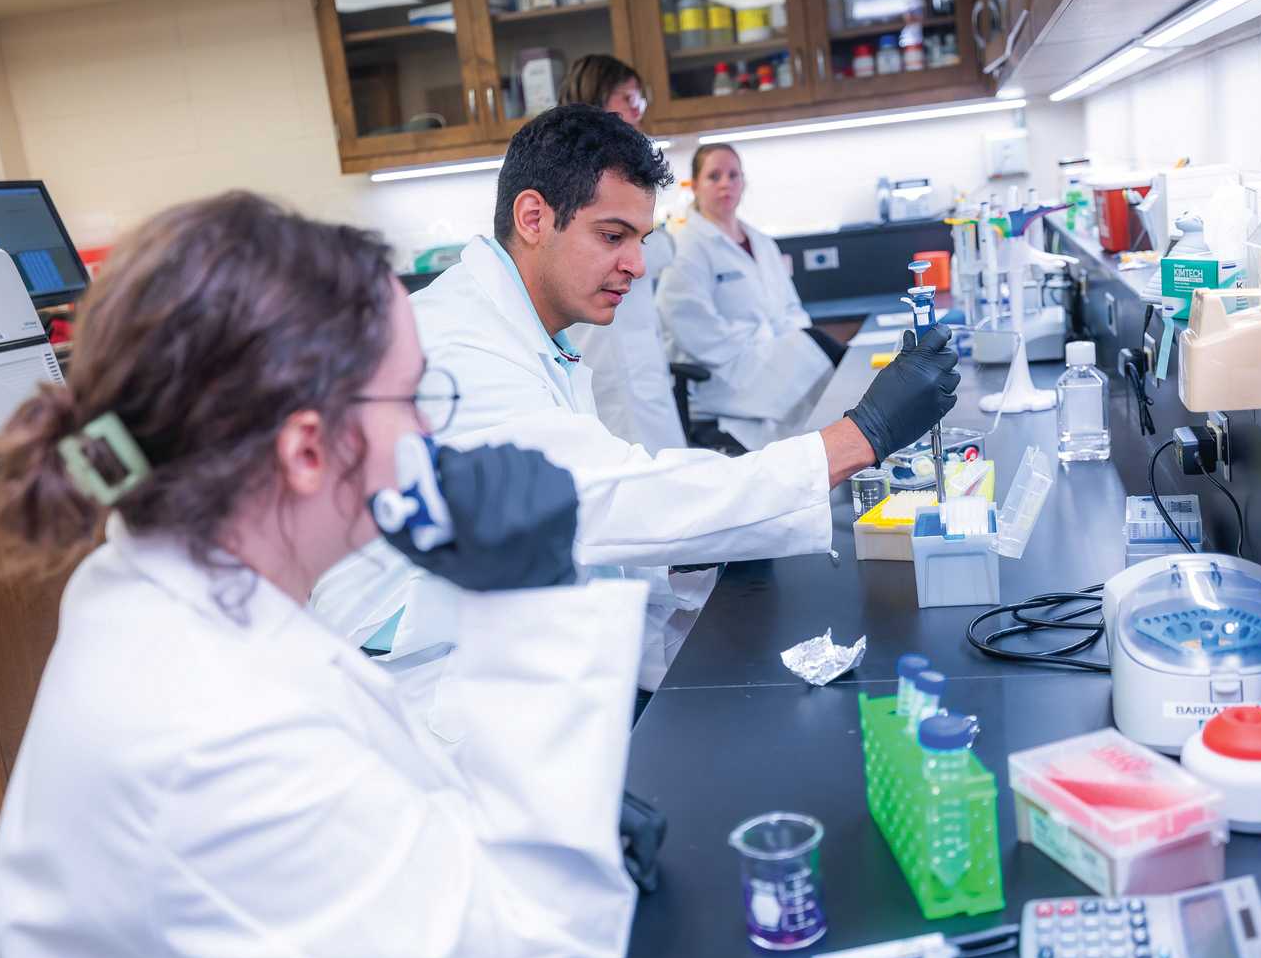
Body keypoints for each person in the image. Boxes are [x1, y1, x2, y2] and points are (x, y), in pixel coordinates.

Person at [0, 192, 649, 958]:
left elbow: (360, 780)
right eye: (411, 397)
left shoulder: (160, 573)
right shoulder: (211, 729)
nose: (431, 432)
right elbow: (544, 946)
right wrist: (531, 611)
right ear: (306, 450)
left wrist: (507, 812)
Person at [312, 104, 959, 706]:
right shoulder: (457, 343)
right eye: (613, 235)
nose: (636, 265)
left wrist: (696, 548)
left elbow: (594, 528)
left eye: (640, 239)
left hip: (502, 658)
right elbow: (602, 499)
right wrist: (862, 434)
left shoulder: (530, 333)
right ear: (534, 218)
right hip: (429, 692)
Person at [655, 142, 847, 451]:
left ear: (744, 183)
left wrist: (786, 343)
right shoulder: (686, 247)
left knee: (829, 363)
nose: (725, 184)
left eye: (733, 175)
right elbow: (693, 328)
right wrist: (767, 346)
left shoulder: (762, 242)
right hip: (725, 374)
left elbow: (791, 308)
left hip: (776, 356)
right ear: (694, 186)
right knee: (827, 365)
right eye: (713, 176)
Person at [558, 55, 685, 453]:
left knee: (663, 469)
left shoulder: (619, 168)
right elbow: (648, 251)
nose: (636, 109)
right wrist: (657, 241)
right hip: (606, 353)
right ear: (596, 98)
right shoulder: (581, 172)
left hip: (635, 352)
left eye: (639, 99)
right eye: (626, 97)